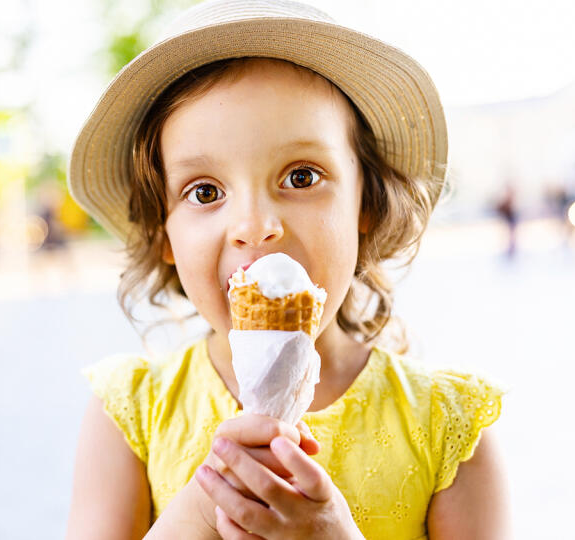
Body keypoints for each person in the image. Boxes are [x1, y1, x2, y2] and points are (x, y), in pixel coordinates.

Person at [65, 1, 508, 538]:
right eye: (205, 192)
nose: (254, 226)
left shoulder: (448, 428)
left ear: (367, 202)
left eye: (301, 177)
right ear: (163, 234)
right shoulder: (130, 416)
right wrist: (208, 507)